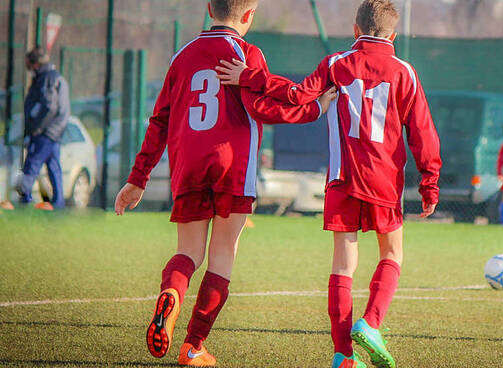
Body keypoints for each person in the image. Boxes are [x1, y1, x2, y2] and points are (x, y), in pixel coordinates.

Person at [216, 1, 442, 366]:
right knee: (392, 254)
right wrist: (430, 183)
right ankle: (370, 323)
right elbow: (423, 134)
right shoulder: (405, 72)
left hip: (342, 178)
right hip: (385, 180)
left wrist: (249, 77)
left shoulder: (337, 64)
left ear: (355, 30)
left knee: (342, 265)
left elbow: (296, 95)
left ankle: (343, 355)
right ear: (394, 35)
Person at [114, 0, 337, 366]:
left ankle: (172, 291)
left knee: (188, 254)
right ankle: (193, 346)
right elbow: (263, 108)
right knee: (221, 257)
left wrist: (137, 179)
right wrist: (316, 109)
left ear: (208, 8)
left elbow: (159, 122)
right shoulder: (247, 53)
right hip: (233, 166)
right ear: (249, 15)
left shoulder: (181, 57)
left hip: (188, 167)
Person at [18, 47, 70, 209]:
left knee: (32, 164)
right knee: (54, 166)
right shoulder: (53, 77)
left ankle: (25, 199)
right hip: (55, 131)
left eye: (29, 65)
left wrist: (36, 128)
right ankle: (58, 202)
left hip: (46, 132)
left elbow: (49, 107)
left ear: (36, 64)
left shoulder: (46, 79)